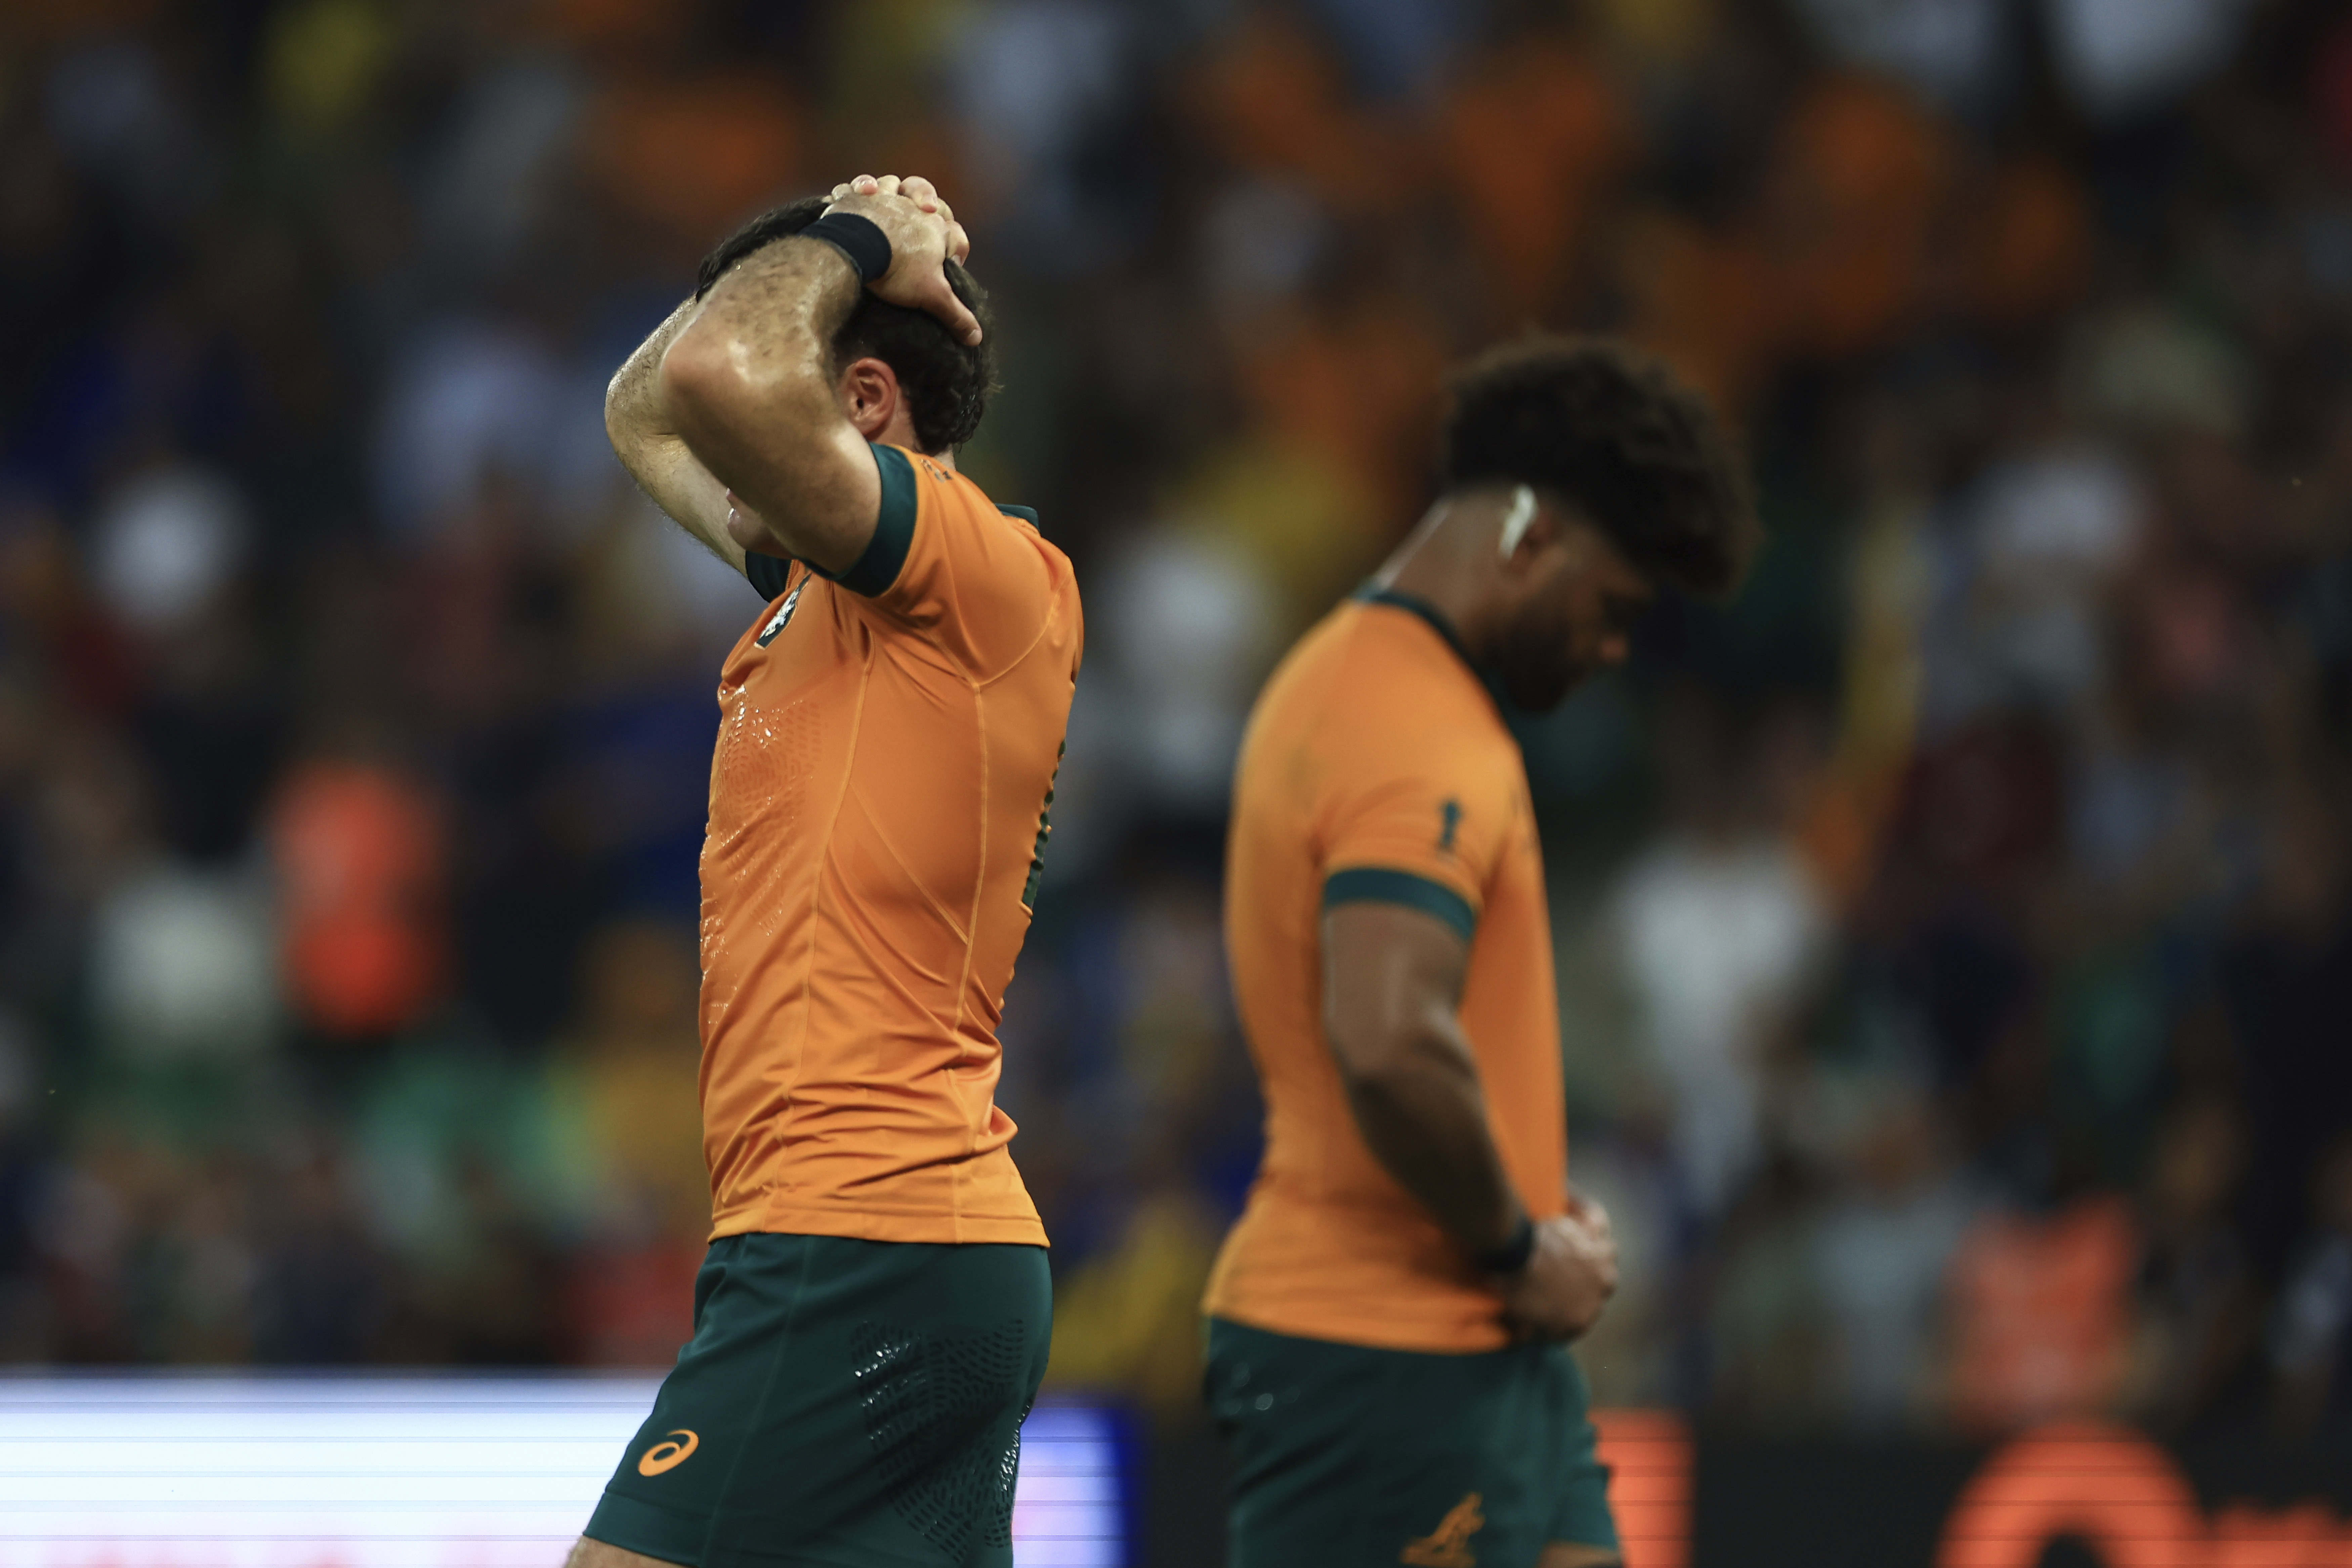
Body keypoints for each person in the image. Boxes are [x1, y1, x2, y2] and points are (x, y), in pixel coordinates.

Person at [573, 174, 1081, 1568]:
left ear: (861, 404)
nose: (726, 459)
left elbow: (710, 369)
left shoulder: (985, 578)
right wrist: (830, 211)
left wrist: (858, 245)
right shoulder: (814, 592)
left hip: (866, 1235)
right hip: (888, 1244)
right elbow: (645, 406)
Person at [1201, 336, 1757, 1568]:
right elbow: (1390, 1039)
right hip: (1390, 1356)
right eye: (1612, 609)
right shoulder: (1416, 730)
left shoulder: (1348, 680)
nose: (1612, 650)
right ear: (1527, 536)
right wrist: (1517, 1242)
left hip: (1478, 1350)